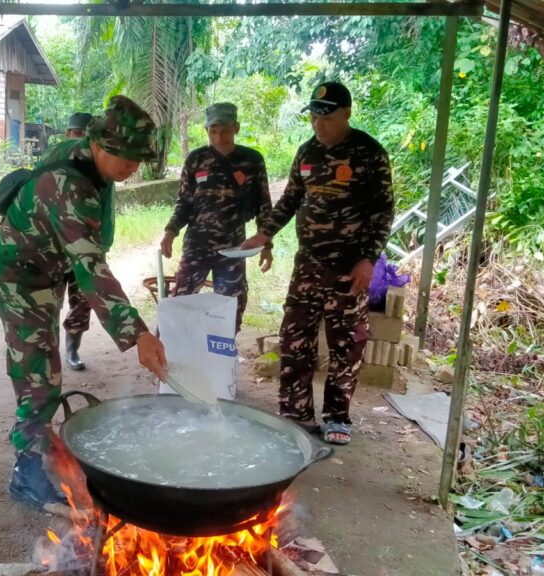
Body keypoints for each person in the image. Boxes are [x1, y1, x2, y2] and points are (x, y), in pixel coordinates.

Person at [0, 96, 168, 509]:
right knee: (39, 375)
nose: (134, 168)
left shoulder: (85, 157)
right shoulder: (69, 185)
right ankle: (27, 474)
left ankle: (40, 452)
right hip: (19, 279)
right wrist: (137, 333)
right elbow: (90, 268)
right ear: (102, 145)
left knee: (43, 367)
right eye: (130, 158)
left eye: (140, 160)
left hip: (43, 275)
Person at [240, 81, 394, 446]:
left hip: (348, 269)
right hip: (307, 266)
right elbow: (290, 200)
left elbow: (383, 210)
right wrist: (265, 234)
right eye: (313, 115)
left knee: (345, 345)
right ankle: (296, 413)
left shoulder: (369, 153)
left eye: (325, 116)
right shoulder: (307, 153)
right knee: (295, 340)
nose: (317, 123)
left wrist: (368, 259)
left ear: (346, 113)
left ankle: (337, 416)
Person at [160, 103, 273, 333]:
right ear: (207, 131)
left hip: (233, 248)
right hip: (197, 245)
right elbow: (184, 203)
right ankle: (165, 354)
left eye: (225, 131)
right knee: (179, 303)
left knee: (232, 308)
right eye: (213, 131)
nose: (219, 137)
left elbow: (264, 205)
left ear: (236, 128)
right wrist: (170, 232)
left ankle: (221, 357)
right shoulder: (196, 160)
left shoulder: (252, 161)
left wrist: (267, 244)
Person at [60, 112, 95, 371]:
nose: (81, 139)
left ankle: (72, 350)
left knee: (82, 300)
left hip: (84, 247)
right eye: (77, 133)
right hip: (52, 248)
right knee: (48, 301)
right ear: (67, 135)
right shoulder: (53, 161)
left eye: (86, 134)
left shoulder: (100, 168)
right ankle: (46, 352)